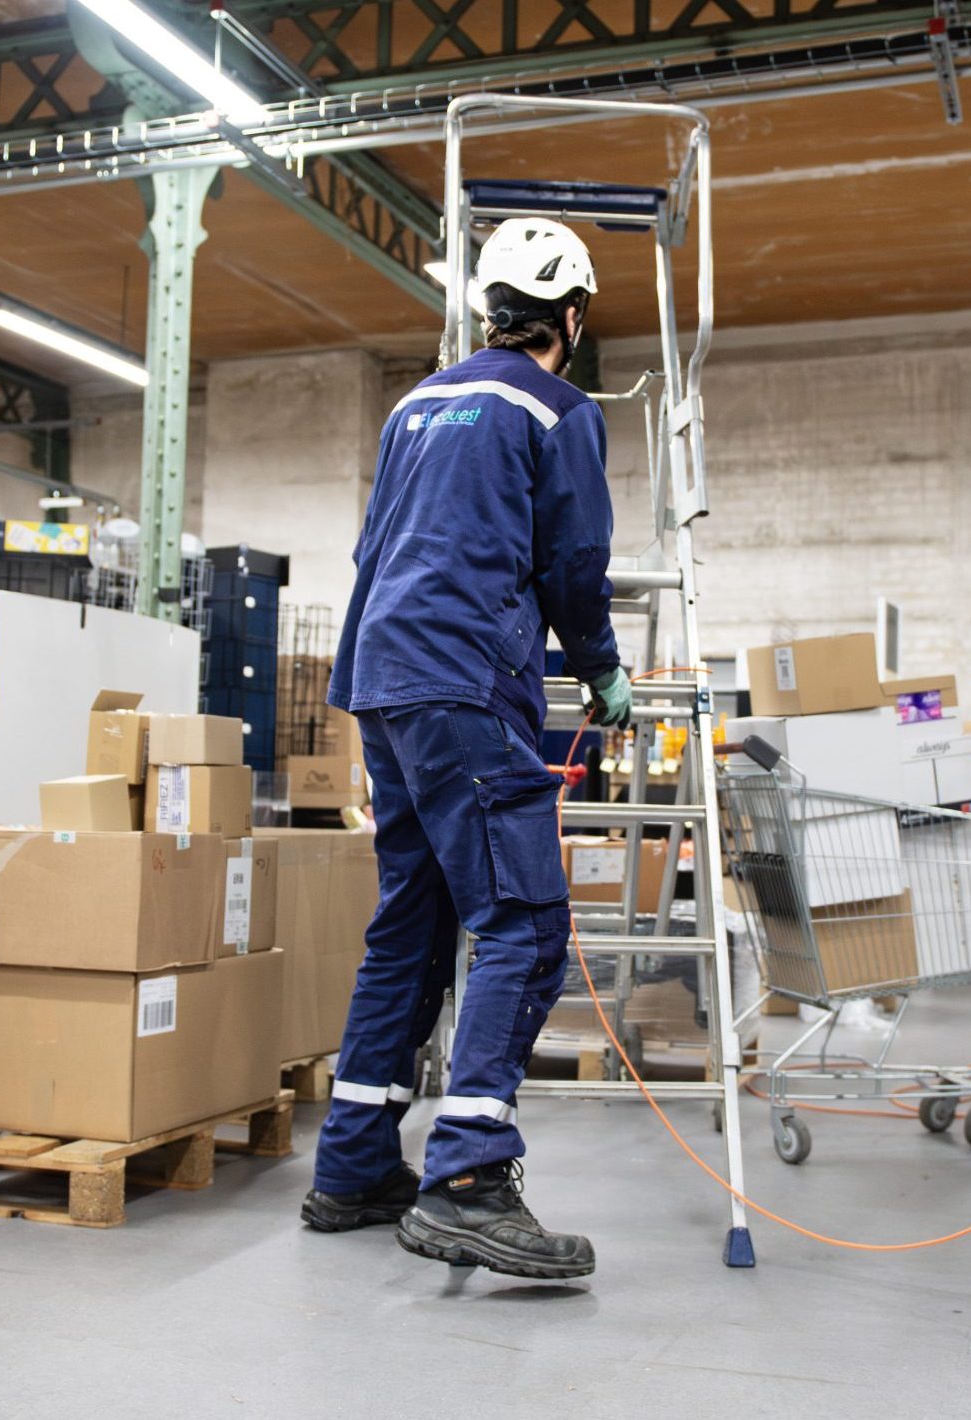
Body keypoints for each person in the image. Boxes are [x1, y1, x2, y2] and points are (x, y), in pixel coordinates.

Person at [300, 218, 630, 1281]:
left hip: (380, 681)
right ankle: (467, 1180)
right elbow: (574, 559)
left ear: (489, 308)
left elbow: (374, 546)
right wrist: (600, 666)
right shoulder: (556, 408)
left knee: (412, 921)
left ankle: (354, 1165)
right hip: (465, 684)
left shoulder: (414, 405)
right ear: (570, 315)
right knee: (525, 925)